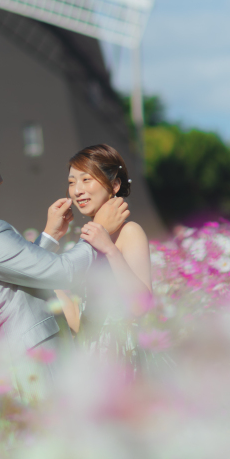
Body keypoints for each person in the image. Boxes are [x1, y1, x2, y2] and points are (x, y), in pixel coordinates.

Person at [0, 127, 129, 354]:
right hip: (28, 367)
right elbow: (64, 272)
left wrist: (50, 236)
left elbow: (8, 277)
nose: (0, 180)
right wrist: (99, 231)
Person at [55, 143, 152, 340]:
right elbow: (78, 322)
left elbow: (142, 306)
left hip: (124, 354)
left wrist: (109, 249)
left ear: (114, 185)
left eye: (86, 179)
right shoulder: (82, 240)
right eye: (72, 182)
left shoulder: (130, 232)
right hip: (93, 355)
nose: (77, 191)